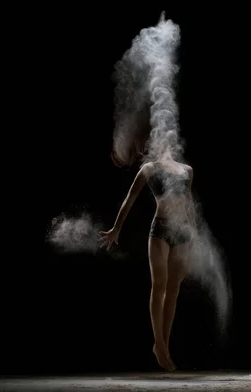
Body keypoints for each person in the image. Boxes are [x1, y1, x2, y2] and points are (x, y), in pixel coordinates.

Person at [100, 132, 195, 372]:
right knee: (160, 285)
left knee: (173, 290)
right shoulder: (149, 169)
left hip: (182, 232)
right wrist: (116, 228)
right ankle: (160, 345)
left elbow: (189, 201)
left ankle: (163, 345)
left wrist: (194, 234)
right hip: (160, 230)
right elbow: (130, 198)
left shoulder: (187, 170)